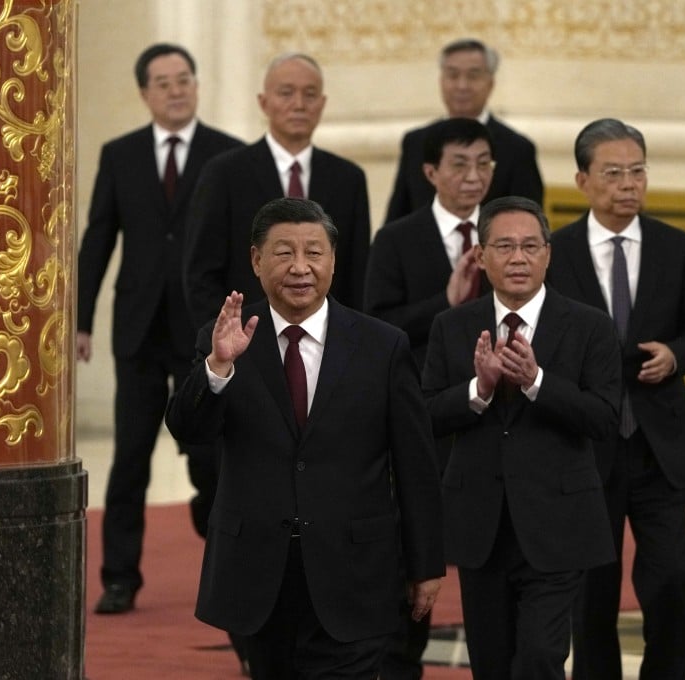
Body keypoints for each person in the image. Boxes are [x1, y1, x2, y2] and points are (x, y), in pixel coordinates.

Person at [165, 198, 446, 680]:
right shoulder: (224, 338)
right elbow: (189, 430)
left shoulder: (382, 345)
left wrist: (426, 564)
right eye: (284, 253)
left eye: (314, 253)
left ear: (333, 260)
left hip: (354, 569)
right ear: (257, 260)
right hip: (259, 572)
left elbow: (415, 465)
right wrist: (218, 367)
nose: (300, 267)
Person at [546, 118, 685, 680]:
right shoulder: (557, 252)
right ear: (582, 180)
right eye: (614, 173)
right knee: (591, 593)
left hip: (657, 447)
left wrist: (675, 354)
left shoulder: (675, 247)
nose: (629, 184)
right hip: (586, 448)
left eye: (638, 171)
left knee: (673, 580)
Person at [421, 196, 621, 679]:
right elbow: (424, 417)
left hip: (559, 524)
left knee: (540, 657)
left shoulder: (590, 326)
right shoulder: (452, 326)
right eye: (505, 246)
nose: (518, 258)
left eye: (530, 247)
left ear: (547, 254)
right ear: (481, 255)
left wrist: (537, 382)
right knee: (491, 664)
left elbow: (604, 418)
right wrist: (479, 389)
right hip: (481, 525)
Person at [76, 43, 243, 616]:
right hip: (140, 330)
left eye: (184, 79)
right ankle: (120, 578)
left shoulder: (228, 154)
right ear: (145, 93)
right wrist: (81, 320)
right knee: (131, 458)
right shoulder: (120, 155)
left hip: (204, 332)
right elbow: (99, 239)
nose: (176, 90)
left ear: (196, 85)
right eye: (164, 82)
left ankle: (228, 562)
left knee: (211, 456)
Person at [364, 117, 493, 679]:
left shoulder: (510, 235)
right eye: (459, 165)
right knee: (413, 558)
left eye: (483, 164)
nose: (473, 177)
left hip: (494, 420)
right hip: (420, 420)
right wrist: (445, 300)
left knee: (489, 561)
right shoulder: (397, 239)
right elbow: (376, 326)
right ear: (431, 172)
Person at [183, 52, 370, 331]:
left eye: (309, 94)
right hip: (245, 336)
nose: (299, 104)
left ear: (322, 104)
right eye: (286, 93)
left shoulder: (348, 178)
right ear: (263, 102)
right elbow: (201, 274)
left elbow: (357, 274)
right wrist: (224, 336)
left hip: (328, 341)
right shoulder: (225, 173)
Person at [384, 38, 543, 223]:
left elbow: (529, 224)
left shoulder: (517, 148)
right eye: (453, 75)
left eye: (473, 76)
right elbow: (396, 220)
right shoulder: (415, 142)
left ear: (491, 83)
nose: (462, 85)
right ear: (441, 81)